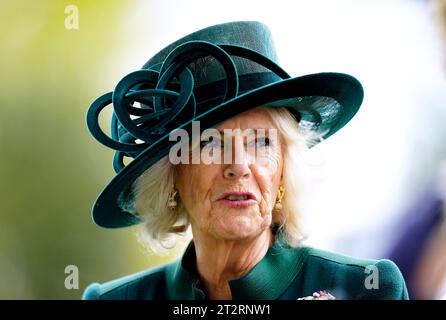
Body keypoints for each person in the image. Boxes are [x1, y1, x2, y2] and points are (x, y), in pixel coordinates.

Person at [83, 21, 409, 300]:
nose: (238, 165)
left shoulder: (368, 289)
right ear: (171, 177)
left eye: (261, 141)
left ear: (283, 169)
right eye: (210, 142)